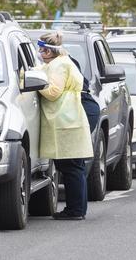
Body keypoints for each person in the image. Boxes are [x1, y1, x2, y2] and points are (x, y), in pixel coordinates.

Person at [37, 32, 93, 220]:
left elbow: (53, 92)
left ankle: (75, 210)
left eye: (43, 49)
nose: (40, 52)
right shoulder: (63, 61)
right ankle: (77, 209)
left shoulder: (58, 64)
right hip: (70, 114)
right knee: (74, 166)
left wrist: (34, 84)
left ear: (50, 50)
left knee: (71, 166)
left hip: (65, 116)